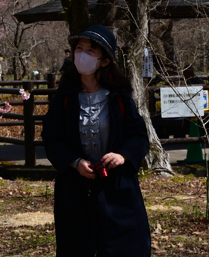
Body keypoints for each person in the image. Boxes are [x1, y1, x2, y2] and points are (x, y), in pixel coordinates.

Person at [42, 25, 152, 257]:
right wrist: (74, 162)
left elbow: (138, 135)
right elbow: (52, 137)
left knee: (122, 248)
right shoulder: (65, 97)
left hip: (117, 187)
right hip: (75, 190)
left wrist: (122, 155)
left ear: (104, 61)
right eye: (78, 49)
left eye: (90, 51)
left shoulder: (119, 97)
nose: (81, 55)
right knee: (78, 246)